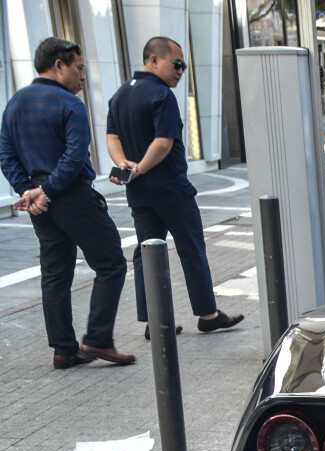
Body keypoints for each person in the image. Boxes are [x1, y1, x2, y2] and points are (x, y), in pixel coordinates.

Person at [0, 38, 134, 369]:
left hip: (41, 204)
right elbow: (75, 157)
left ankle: (63, 349)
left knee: (55, 273)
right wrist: (46, 192)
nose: (83, 76)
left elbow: (7, 156)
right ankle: (98, 339)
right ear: (59, 66)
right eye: (79, 68)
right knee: (111, 263)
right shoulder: (70, 105)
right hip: (71, 195)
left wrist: (30, 191)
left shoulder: (14, 104)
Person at [107, 36, 243, 338]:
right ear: (154, 60)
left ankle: (153, 321)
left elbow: (112, 137)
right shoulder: (161, 95)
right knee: (191, 249)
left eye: (184, 66)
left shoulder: (118, 95)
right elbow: (164, 142)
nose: (181, 71)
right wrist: (140, 168)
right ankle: (208, 314)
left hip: (139, 194)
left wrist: (125, 165)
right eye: (177, 64)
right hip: (170, 188)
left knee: (146, 254)